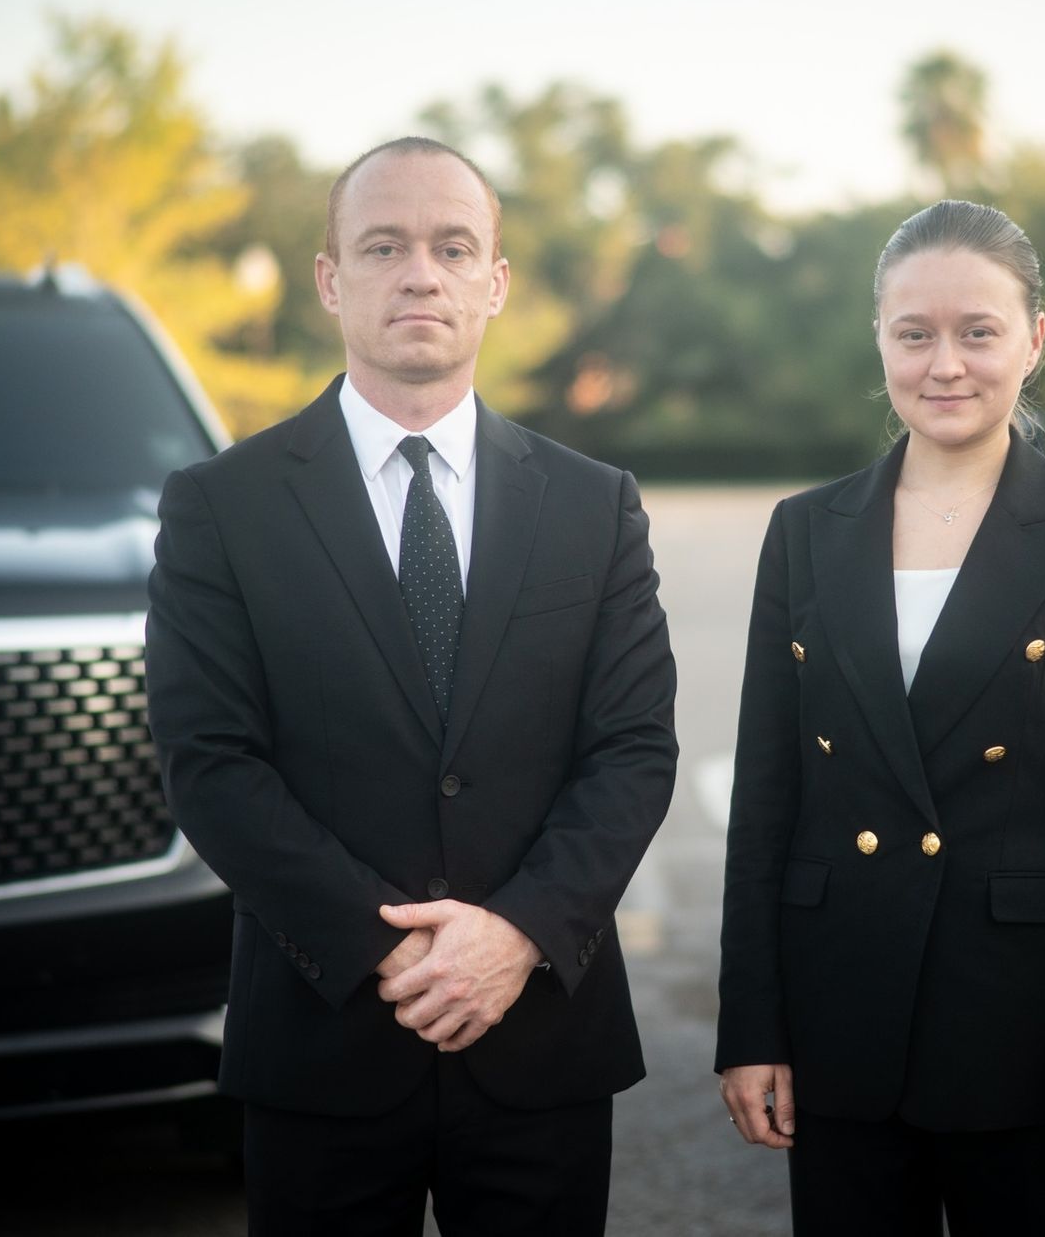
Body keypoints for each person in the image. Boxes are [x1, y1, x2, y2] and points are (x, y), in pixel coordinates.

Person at [146, 136, 678, 1235]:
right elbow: (212, 767)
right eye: (383, 246)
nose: (420, 273)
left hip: (540, 1041)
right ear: (333, 280)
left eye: (452, 246)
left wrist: (515, 937)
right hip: (323, 1039)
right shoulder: (221, 507)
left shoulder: (595, 505)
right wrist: (394, 954)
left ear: (496, 283)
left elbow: (631, 750)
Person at [715, 200, 1045, 1235]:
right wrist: (753, 1030)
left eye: (979, 331)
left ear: (1034, 339)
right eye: (913, 334)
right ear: (878, 340)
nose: (945, 364)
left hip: (1030, 1032)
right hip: (843, 1024)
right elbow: (768, 799)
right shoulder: (804, 533)